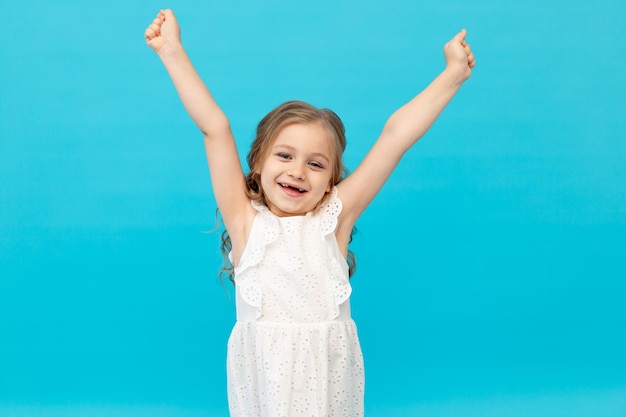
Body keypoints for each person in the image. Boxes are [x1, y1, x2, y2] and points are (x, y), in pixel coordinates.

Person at [145, 8, 475, 417]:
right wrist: (172, 51)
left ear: (331, 180)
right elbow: (215, 127)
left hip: (329, 388)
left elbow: (395, 136)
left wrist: (452, 75)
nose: (298, 172)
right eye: (285, 155)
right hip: (266, 387)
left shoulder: (334, 220)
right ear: (259, 162)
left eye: (316, 164)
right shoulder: (246, 222)